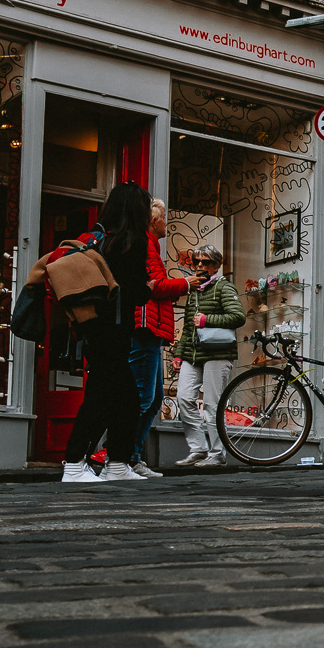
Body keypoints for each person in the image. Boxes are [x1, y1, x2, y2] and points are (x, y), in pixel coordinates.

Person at [54, 182, 155, 484]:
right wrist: (148, 288)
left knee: (125, 399)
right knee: (101, 397)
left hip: (96, 330)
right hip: (114, 331)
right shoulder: (133, 241)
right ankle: (73, 463)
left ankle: (118, 464)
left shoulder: (102, 240)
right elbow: (135, 292)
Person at [127, 198, 189, 478]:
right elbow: (154, 287)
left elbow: (158, 287)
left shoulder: (151, 246)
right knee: (143, 397)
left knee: (152, 399)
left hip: (151, 329)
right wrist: (188, 283)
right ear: (154, 222)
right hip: (145, 329)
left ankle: (132, 456)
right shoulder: (147, 247)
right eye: (164, 218)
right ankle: (121, 456)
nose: (167, 223)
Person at [172, 244, 246, 467]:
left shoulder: (224, 287)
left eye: (206, 262)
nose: (200, 266)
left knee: (213, 404)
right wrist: (179, 355)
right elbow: (188, 327)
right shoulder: (194, 289)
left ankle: (217, 454)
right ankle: (198, 449)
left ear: (216, 265)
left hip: (218, 353)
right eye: (196, 262)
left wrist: (207, 320)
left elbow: (238, 316)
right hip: (193, 354)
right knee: (184, 398)